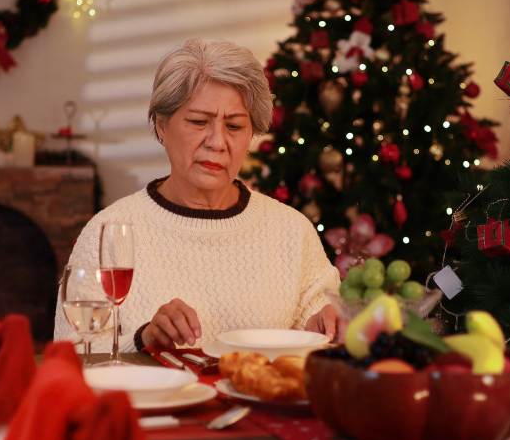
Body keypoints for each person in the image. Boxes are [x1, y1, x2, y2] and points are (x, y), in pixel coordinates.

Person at [54, 39, 341, 353]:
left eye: (234, 126)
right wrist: (144, 339)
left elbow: (320, 333)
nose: (217, 142)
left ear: (251, 136)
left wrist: (324, 329)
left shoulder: (291, 230)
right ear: (161, 126)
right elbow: (72, 354)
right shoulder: (108, 231)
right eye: (198, 122)